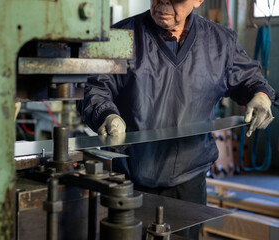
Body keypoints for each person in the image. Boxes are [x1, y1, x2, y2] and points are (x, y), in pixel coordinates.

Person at [77, 0, 275, 237]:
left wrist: (261, 97)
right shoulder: (120, 36)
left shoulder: (221, 42)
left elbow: (250, 80)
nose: (164, 3)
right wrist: (106, 115)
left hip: (190, 181)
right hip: (130, 179)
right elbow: (94, 88)